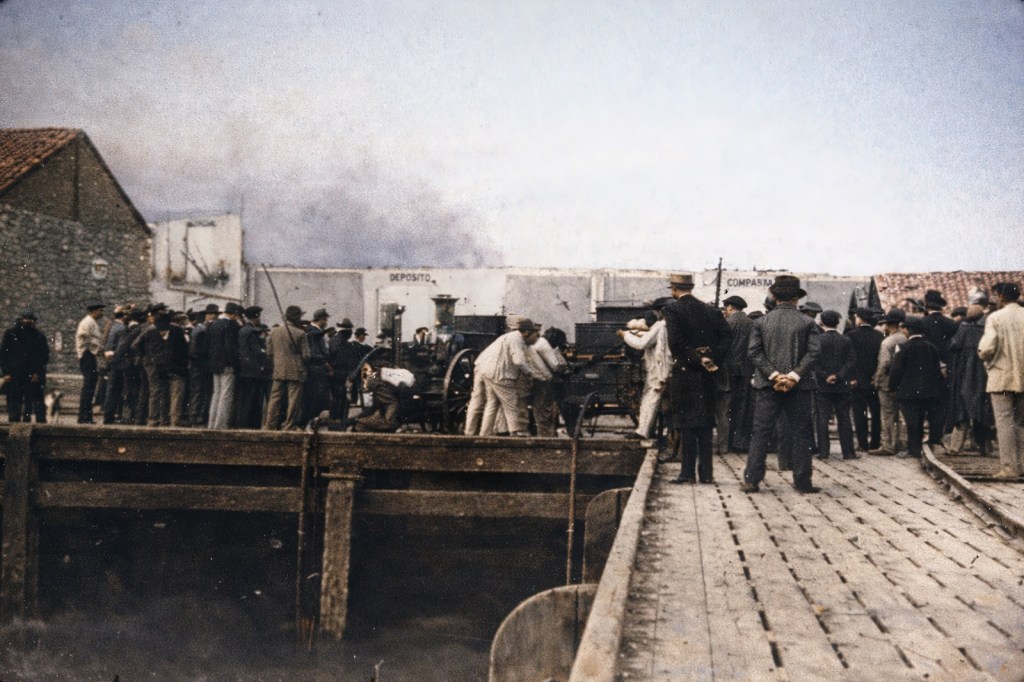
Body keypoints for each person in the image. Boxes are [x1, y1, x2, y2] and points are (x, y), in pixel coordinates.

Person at [742, 275, 821, 493]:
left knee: (760, 432)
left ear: (773, 296)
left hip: (767, 386)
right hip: (800, 386)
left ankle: (752, 479)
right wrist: (793, 376)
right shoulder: (808, 323)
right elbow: (814, 353)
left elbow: (754, 353)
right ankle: (803, 481)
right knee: (801, 433)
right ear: (797, 298)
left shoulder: (760, 322)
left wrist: (774, 375)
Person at [662, 274, 732, 484]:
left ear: (674, 290)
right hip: (707, 375)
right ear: (691, 288)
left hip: (685, 373)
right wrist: (712, 358)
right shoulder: (711, 310)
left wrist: (696, 358)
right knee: (704, 424)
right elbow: (727, 336)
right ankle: (707, 474)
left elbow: (676, 342)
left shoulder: (673, 309)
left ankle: (687, 473)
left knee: (686, 424)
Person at [468, 318, 548, 437]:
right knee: (512, 403)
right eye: (534, 334)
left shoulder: (509, 337)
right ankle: (516, 432)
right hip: (499, 374)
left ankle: (484, 434)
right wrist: (532, 374)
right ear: (526, 332)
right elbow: (519, 361)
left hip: (486, 370)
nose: (535, 337)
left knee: (492, 403)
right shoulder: (517, 339)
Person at [978, 281, 1024, 478]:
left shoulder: (995, 318)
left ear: (1002, 297)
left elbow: (987, 348)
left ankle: (1009, 468)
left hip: (1001, 378)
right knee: (1021, 423)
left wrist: (984, 357)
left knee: (1004, 423)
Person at [889, 316, 945, 459]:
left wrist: (892, 387)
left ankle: (913, 450)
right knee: (927, 419)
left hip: (908, 393)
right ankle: (930, 445)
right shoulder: (931, 347)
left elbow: (896, 370)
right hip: (929, 391)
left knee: (912, 422)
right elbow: (937, 370)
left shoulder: (902, 348)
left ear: (907, 330)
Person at [620, 298, 672, 440]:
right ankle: (661, 433)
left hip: (658, 369)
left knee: (650, 399)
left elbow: (642, 344)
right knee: (665, 404)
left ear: (661, 311)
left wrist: (625, 335)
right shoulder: (672, 324)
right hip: (669, 368)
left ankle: (643, 432)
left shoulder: (660, 325)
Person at [947, 304, 993, 455]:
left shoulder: (963, 329)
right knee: (983, 409)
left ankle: (955, 447)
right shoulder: (987, 329)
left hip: (964, 374)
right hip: (983, 375)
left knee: (962, 408)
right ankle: (985, 447)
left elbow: (953, 345)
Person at [814, 310, 857, 460]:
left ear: (822, 323)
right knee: (844, 418)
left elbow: (813, 363)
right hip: (841, 385)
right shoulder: (846, 340)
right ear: (837, 323)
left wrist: (826, 376)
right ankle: (849, 452)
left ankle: (824, 452)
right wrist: (838, 376)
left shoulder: (817, 340)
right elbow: (851, 362)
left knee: (822, 419)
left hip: (822, 385)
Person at [135, 311, 189, 427]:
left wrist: (148, 357)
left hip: (156, 366)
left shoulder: (150, 330)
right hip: (174, 367)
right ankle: (174, 420)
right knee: (175, 394)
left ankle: (155, 419)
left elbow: (135, 345)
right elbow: (184, 348)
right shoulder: (177, 330)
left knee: (157, 393)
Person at [264, 305, 311, 431]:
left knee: (275, 398)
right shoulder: (301, 334)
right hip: (296, 371)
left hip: (278, 369)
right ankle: (289, 426)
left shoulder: (274, 332)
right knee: (294, 399)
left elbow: (269, 352)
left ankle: (270, 425)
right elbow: (307, 356)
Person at [869, 309, 908, 456]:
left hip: (886, 382)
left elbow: (884, 363)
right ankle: (901, 443)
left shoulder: (887, 342)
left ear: (890, 325)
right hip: (901, 381)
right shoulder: (904, 339)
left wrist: (877, 378)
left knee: (887, 414)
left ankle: (889, 445)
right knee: (900, 414)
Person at [1, 310, 50, 423]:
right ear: (20, 320)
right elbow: (3, 354)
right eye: (25, 319)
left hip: (32, 374)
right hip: (14, 374)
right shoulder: (10, 334)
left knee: (35, 400)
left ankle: (35, 423)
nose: (27, 322)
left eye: (30, 320)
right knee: (14, 400)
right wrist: (6, 373)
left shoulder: (38, 336)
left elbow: (43, 356)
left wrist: (37, 373)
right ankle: (14, 422)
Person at [846, 307, 884, 452]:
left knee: (859, 413)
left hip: (857, 381)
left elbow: (850, 360)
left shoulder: (851, 335)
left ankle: (862, 443)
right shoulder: (879, 336)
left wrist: (852, 377)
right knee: (875, 413)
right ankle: (875, 442)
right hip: (874, 380)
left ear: (860, 319)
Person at [721, 295, 754, 453]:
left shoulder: (728, 323)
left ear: (730, 307)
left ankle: (727, 442)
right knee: (743, 406)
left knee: (728, 406)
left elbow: (723, 346)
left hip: (729, 369)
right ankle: (740, 441)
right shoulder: (751, 323)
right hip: (747, 370)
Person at [206, 302, 244, 429]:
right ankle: (221, 425)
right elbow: (230, 347)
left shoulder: (213, 324)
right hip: (227, 364)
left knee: (216, 394)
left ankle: (212, 424)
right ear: (234, 314)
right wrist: (235, 364)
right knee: (226, 395)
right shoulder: (231, 325)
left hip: (215, 363)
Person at [235, 306, 272, 429]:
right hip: (253, 373)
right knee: (253, 402)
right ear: (256, 316)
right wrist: (260, 367)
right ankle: (250, 426)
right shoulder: (250, 331)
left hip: (246, 372)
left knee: (245, 401)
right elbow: (255, 352)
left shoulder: (244, 330)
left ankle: (244, 424)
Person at [187, 303, 219, 428]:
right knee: (198, 392)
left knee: (198, 391)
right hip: (199, 366)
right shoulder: (202, 330)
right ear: (208, 315)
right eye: (214, 315)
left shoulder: (199, 328)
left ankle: (195, 416)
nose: (215, 317)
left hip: (197, 366)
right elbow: (195, 351)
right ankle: (194, 417)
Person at [75, 302, 106, 423]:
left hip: (90, 355)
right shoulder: (87, 322)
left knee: (90, 387)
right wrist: (97, 345)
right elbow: (83, 337)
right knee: (88, 387)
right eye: (100, 311)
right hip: (87, 354)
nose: (102, 314)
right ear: (94, 311)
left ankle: (85, 416)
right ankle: (84, 416)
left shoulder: (91, 322)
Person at [303, 308, 333, 426]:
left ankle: (314, 421)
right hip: (317, 370)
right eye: (326, 320)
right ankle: (313, 422)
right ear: (322, 319)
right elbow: (315, 354)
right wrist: (326, 364)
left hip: (316, 369)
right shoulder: (315, 333)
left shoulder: (312, 331)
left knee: (316, 397)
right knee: (316, 397)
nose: (326, 323)